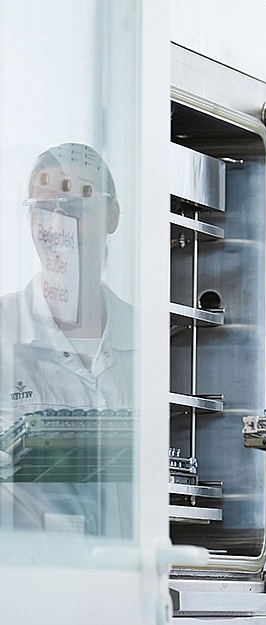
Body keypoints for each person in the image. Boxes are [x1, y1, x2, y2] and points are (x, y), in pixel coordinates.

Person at [0, 143, 136, 538]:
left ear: (111, 216)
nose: (58, 226)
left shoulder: (152, 339)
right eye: (44, 209)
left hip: (132, 583)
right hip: (31, 585)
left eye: (76, 208)